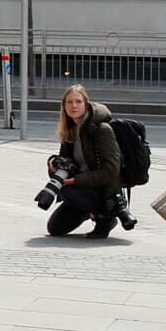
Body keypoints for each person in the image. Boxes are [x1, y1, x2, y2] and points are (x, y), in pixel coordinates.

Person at [44, 84, 134, 237]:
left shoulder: (102, 130)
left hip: (103, 190)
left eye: (78, 101)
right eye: (69, 102)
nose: (74, 106)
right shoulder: (70, 130)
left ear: (86, 104)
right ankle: (87, 210)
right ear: (64, 106)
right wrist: (53, 163)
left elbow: (111, 170)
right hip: (83, 188)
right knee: (55, 228)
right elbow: (66, 161)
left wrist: (75, 180)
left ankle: (106, 217)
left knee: (66, 190)